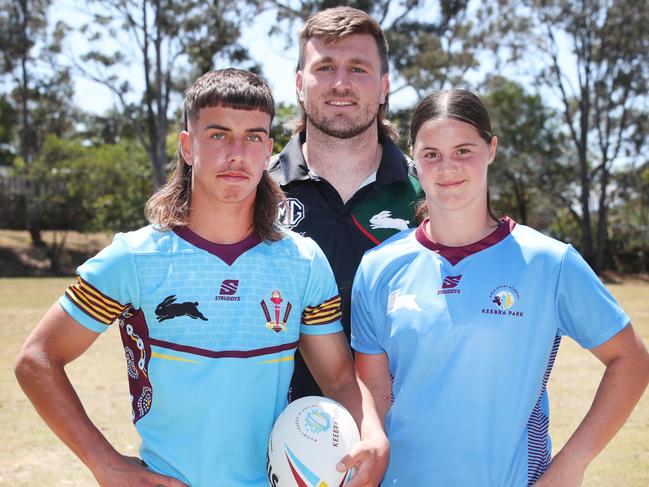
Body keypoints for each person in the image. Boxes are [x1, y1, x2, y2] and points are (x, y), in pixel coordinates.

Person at [14, 68, 388, 487]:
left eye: (253, 137)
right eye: (218, 135)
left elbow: (337, 379)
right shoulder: (135, 257)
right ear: (188, 147)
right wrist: (105, 463)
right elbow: (37, 360)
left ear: (268, 151)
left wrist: (369, 429)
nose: (237, 154)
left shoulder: (301, 261)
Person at [351, 89, 649, 486]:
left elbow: (631, 360)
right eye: (431, 154)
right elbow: (375, 391)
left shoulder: (548, 261)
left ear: (491, 149)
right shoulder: (379, 266)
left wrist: (571, 464)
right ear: (414, 160)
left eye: (463, 150)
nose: (447, 168)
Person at [269, 6, 422, 401]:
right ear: (300, 83)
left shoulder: (428, 193)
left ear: (384, 85)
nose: (340, 83)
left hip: (403, 445)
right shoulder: (255, 190)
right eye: (325, 68)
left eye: (358, 68)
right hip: (270, 443)